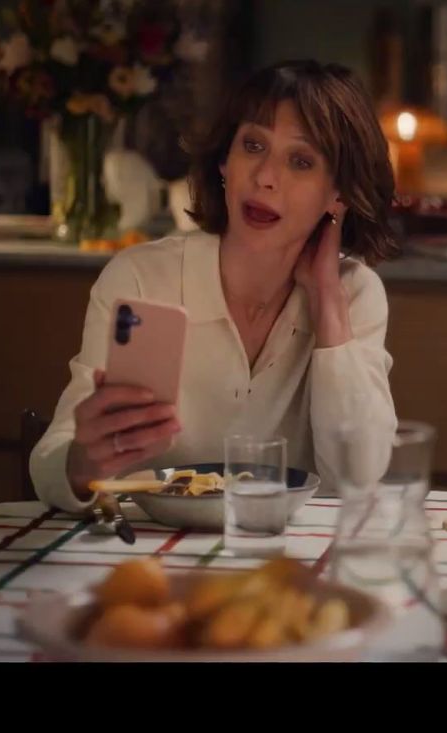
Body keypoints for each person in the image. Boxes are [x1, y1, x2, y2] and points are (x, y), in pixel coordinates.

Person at [30, 60, 399, 513]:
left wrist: (327, 301)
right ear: (225, 160)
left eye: (301, 161)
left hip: (289, 564)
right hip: (147, 557)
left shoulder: (355, 294)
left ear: (338, 193)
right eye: (253, 145)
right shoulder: (143, 279)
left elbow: (357, 479)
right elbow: (50, 464)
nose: (265, 176)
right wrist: (83, 462)